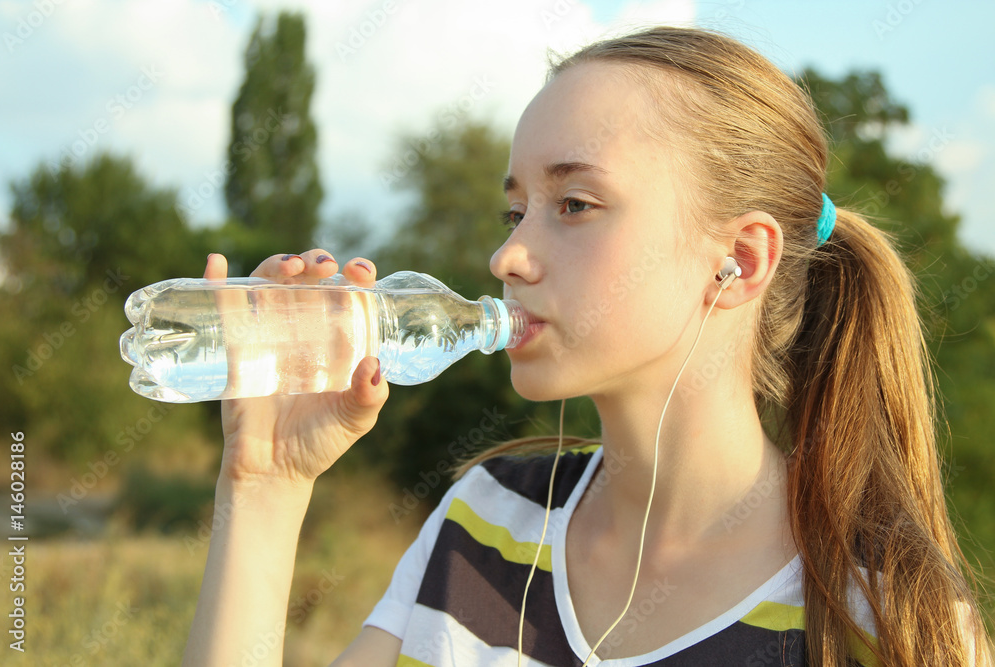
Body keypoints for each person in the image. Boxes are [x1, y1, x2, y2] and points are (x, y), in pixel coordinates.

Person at [182, 26, 993, 667]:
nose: (508, 256)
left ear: (740, 261)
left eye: (573, 203)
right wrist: (264, 486)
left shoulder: (884, 622)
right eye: (516, 211)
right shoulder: (485, 526)